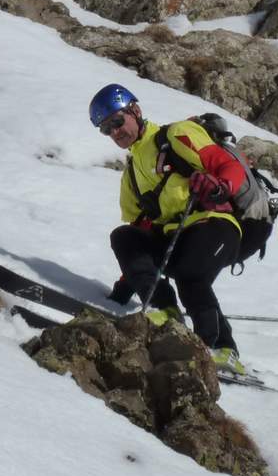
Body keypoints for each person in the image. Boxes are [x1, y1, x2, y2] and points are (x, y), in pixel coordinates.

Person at [88, 83, 247, 375]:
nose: (114, 132)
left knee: (190, 274)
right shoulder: (132, 175)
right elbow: (140, 229)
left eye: (117, 121)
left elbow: (227, 164)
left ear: (135, 111)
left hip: (215, 225)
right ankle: (165, 312)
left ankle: (219, 349)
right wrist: (126, 287)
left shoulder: (174, 135)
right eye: (105, 129)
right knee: (123, 236)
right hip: (176, 237)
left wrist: (220, 187)